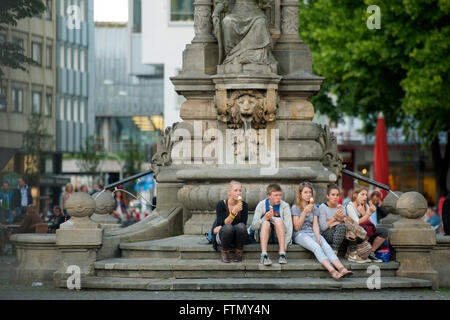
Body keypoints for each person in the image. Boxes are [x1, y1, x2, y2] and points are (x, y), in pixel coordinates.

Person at [292, 182, 352, 280]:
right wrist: (304, 212)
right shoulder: (295, 207)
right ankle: (332, 271)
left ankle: (342, 268)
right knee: (316, 247)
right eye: (305, 192)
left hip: (312, 232)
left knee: (326, 246)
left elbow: (315, 224)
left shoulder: (314, 207)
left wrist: (318, 236)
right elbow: (296, 227)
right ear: (300, 194)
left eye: (310, 192)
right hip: (300, 234)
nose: (308, 195)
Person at [212, 0, 277, 66]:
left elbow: (267, 3)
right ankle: (232, 56)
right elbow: (223, 1)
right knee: (227, 21)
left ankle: (255, 56)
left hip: (255, 14)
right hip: (236, 13)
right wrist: (215, 13)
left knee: (261, 22)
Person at [319, 184, 365, 263]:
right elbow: (323, 227)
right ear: (327, 196)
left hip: (340, 232)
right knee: (341, 226)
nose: (335, 197)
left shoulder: (341, 207)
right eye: (333, 195)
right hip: (327, 234)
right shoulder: (323, 207)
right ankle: (334, 252)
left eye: (337, 195)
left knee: (349, 228)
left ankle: (353, 254)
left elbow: (347, 223)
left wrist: (344, 218)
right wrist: (335, 218)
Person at [251, 184, 292, 266]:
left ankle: (282, 254)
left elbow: (289, 228)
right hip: (265, 236)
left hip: (280, 237)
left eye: (280, 195)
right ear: (268, 196)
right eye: (276, 195)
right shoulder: (261, 205)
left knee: (279, 220)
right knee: (265, 223)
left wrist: (284, 246)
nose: (278, 198)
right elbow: (253, 226)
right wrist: (264, 218)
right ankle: (264, 255)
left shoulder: (284, 206)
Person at [346, 187, 389, 262]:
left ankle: (371, 251)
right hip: (356, 233)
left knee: (384, 231)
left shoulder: (366, 206)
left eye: (366, 195)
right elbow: (357, 223)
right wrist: (367, 214)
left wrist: (364, 213)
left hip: (366, 231)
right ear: (356, 195)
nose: (365, 197)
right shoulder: (350, 206)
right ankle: (359, 253)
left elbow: (371, 224)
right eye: (362, 194)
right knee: (363, 231)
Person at [213, 181, 249, 263]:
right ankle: (224, 252)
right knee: (228, 228)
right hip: (224, 235)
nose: (238, 193)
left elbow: (243, 223)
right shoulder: (221, 204)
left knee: (241, 226)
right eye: (235, 190)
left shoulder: (244, 205)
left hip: (238, 236)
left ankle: (239, 252)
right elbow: (222, 223)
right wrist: (233, 213)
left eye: (240, 190)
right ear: (229, 192)